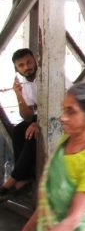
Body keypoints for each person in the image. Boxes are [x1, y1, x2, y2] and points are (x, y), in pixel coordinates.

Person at [14, 83, 85, 231]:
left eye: (71, 111)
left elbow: (74, 218)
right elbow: (49, 200)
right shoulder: (67, 140)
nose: (63, 117)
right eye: (64, 109)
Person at [0, 49, 39, 198]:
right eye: (21, 65)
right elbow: (27, 116)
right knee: (19, 130)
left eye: (29, 62)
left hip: (61, 114)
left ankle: (12, 180)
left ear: (35, 60)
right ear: (16, 68)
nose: (26, 67)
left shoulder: (47, 75)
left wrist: (39, 124)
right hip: (40, 116)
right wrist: (19, 95)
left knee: (33, 135)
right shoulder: (24, 83)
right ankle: (22, 178)